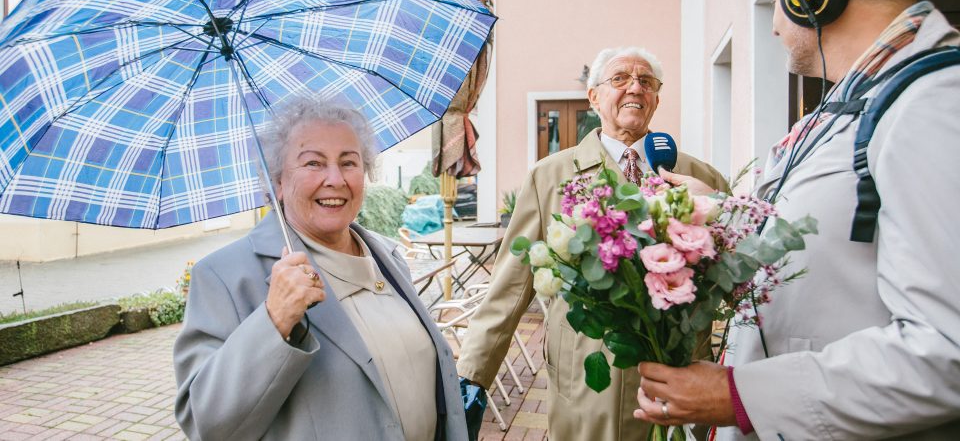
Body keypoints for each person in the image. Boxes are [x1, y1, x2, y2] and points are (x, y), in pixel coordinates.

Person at [633, 0, 960, 438]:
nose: (776, 26)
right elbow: (834, 238)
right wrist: (718, 215)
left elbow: (946, 350)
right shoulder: (864, 99)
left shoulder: (934, 105)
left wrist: (738, 395)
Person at [456, 46, 729, 440]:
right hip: (586, 375)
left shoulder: (700, 178)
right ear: (593, 97)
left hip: (678, 375)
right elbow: (510, 286)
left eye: (646, 82)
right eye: (620, 79)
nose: (635, 88)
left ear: (656, 98)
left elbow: (725, 274)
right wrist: (471, 377)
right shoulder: (548, 177)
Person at [173, 98, 467, 440]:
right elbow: (205, 423)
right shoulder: (223, 277)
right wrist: (274, 320)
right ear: (278, 183)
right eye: (313, 163)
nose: (335, 179)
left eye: (349, 162)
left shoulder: (387, 255)